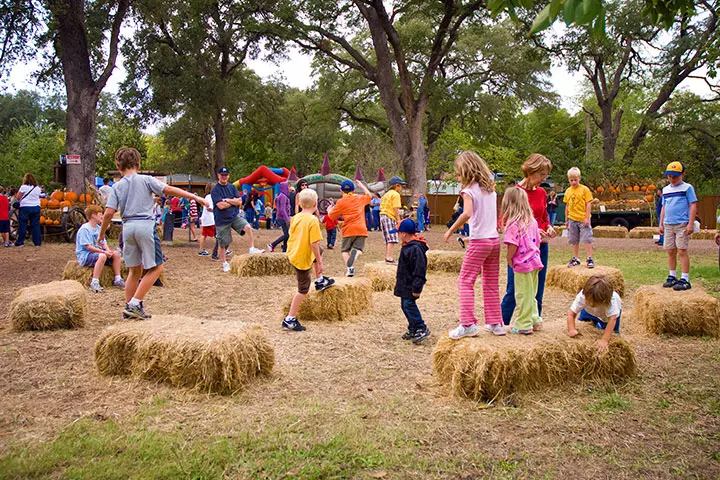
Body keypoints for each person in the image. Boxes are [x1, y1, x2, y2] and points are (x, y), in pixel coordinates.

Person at [99, 147, 207, 319]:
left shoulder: (117, 186)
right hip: (145, 226)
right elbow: (170, 190)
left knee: (135, 271)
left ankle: (130, 308)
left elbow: (108, 213)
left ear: (118, 166)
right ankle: (135, 304)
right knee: (157, 268)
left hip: (127, 228)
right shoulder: (146, 180)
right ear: (138, 163)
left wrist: (101, 234)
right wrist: (196, 198)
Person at [443, 151, 505, 338]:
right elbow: (486, 219)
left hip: (480, 242)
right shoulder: (490, 190)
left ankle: (468, 324)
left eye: (459, 172)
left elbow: (468, 213)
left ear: (467, 170)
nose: (457, 176)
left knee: (465, 281)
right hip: (494, 241)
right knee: (491, 283)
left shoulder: (468, 191)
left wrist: (451, 229)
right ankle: (496, 323)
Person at [501, 154, 556, 326]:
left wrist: (548, 227)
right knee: (513, 290)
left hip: (539, 248)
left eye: (546, 175)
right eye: (541, 175)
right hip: (520, 250)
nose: (544, 179)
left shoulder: (541, 193)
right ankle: (501, 324)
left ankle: (534, 322)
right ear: (530, 172)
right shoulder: (516, 193)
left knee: (536, 289)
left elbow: (544, 217)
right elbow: (504, 221)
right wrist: (528, 230)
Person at [283, 188, 335, 331]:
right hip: (301, 258)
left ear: (299, 204)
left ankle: (319, 281)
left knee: (321, 250)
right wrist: (319, 262)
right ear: (315, 204)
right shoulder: (313, 221)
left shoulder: (295, 217)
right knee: (303, 290)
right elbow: (314, 244)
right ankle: (290, 318)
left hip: (294, 252)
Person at [502, 187, 543, 335]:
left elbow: (513, 245)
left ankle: (524, 324)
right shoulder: (532, 222)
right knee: (531, 292)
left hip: (522, 264)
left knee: (522, 294)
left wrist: (509, 258)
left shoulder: (514, 225)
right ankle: (534, 318)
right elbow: (538, 241)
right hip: (534, 261)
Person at [211, 167, 264, 273]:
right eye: (222, 175)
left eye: (226, 175)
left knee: (248, 227)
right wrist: (232, 202)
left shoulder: (232, 187)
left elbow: (239, 201)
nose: (224, 177)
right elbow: (220, 206)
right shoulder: (215, 190)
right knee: (223, 244)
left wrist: (227, 200)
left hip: (234, 216)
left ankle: (251, 249)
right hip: (221, 220)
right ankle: (225, 264)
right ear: (218, 176)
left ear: (228, 176)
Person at [659, 161, 697, 290]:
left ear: (683, 175)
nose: (672, 179)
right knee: (670, 250)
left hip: (682, 223)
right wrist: (661, 223)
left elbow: (693, 205)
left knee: (682, 250)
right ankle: (672, 275)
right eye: (669, 176)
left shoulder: (687, 188)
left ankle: (685, 278)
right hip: (668, 223)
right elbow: (664, 207)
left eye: (675, 176)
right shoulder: (666, 189)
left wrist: (690, 223)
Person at [393, 218, 430, 344]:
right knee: (405, 305)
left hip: (411, 285)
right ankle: (413, 327)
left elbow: (419, 270)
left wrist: (417, 288)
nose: (397, 235)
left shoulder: (416, 249)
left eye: (398, 233)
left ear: (403, 234)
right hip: (405, 284)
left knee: (409, 305)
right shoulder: (407, 247)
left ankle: (421, 326)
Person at [76, 205, 125, 293]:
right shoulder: (85, 229)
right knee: (102, 256)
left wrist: (108, 251)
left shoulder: (99, 228)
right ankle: (94, 282)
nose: (102, 216)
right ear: (93, 216)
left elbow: (103, 242)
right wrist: (103, 252)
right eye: (100, 214)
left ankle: (118, 279)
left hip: (99, 253)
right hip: (86, 255)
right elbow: (88, 247)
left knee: (116, 254)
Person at [327, 179, 372, 276]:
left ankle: (350, 269)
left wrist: (329, 210)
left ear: (341, 190)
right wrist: (362, 186)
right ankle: (355, 254)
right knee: (359, 249)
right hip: (361, 229)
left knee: (345, 251)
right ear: (354, 190)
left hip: (348, 230)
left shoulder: (341, 202)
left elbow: (331, 216)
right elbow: (369, 195)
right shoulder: (360, 198)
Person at [567, 275, 622, 353]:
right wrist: (571, 329)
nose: (591, 304)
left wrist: (604, 340)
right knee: (584, 327)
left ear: (604, 300)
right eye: (589, 301)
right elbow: (571, 314)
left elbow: (612, 319)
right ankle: (596, 323)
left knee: (613, 335)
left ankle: (601, 326)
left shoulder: (612, 301)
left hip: (606, 317)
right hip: (588, 312)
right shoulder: (582, 296)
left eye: (595, 302)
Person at [564, 167, 595, 268]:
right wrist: (567, 220)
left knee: (587, 238)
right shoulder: (568, 191)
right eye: (571, 180)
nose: (573, 182)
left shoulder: (584, 190)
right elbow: (567, 206)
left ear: (579, 178)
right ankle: (576, 258)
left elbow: (588, 204)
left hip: (582, 219)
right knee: (573, 239)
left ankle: (589, 258)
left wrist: (587, 218)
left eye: (575, 180)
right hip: (572, 219)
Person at [379, 176, 406, 264]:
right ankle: (389, 257)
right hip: (389, 216)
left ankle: (388, 256)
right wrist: (398, 220)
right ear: (397, 186)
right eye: (401, 186)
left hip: (383, 216)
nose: (401, 188)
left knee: (388, 238)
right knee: (392, 238)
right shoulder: (396, 194)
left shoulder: (386, 194)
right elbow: (395, 208)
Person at [14, 173, 42, 247]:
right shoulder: (37, 188)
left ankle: (20, 242)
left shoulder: (23, 187)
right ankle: (37, 243)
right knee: (35, 225)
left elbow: (18, 197)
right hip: (36, 206)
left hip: (25, 207)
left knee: (23, 224)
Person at [268, 181, 291, 252]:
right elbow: (282, 209)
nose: (290, 188)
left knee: (287, 234)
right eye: (289, 187)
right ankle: (272, 245)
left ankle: (285, 249)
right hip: (282, 218)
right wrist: (287, 219)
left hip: (282, 217)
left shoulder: (282, 196)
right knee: (287, 234)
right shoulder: (283, 196)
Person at [198, 184, 215, 256]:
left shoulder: (207, 197)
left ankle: (201, 250)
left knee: (204, 234)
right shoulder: (210, 197)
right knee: (219, 234)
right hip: (210, 220)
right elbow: (210, 208)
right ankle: (222, 249)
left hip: (206, 219)